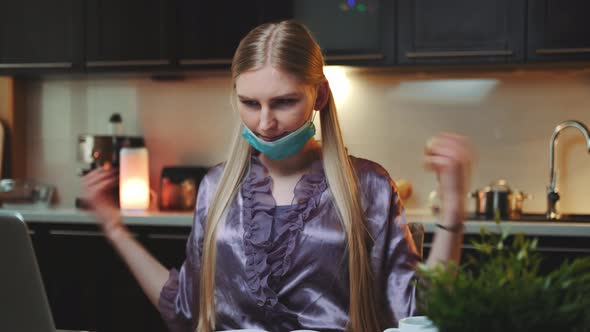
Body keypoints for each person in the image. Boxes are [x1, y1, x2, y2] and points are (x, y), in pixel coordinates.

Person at [82, 20, 474, 332]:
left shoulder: (368, 187)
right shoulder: (216, 189)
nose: (265, 122)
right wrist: (115, 229)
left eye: (284, 102)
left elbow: (418, 312)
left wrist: (453, 206)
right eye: (250, 103)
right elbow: (186, 309)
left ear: (318, 97)